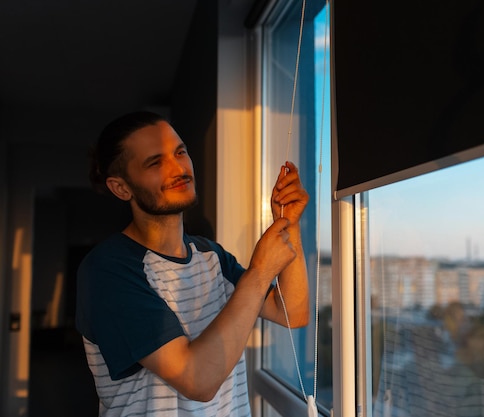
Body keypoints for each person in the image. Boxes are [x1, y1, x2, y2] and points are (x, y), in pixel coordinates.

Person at [75, 110, 310, 416]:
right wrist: (260, 272)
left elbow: (292, 312)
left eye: (180, 152)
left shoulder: (210, 255)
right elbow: (198, 381)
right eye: (155, 162)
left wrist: (289, 223)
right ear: (122, 188)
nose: (178, 168)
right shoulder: (108, 270)